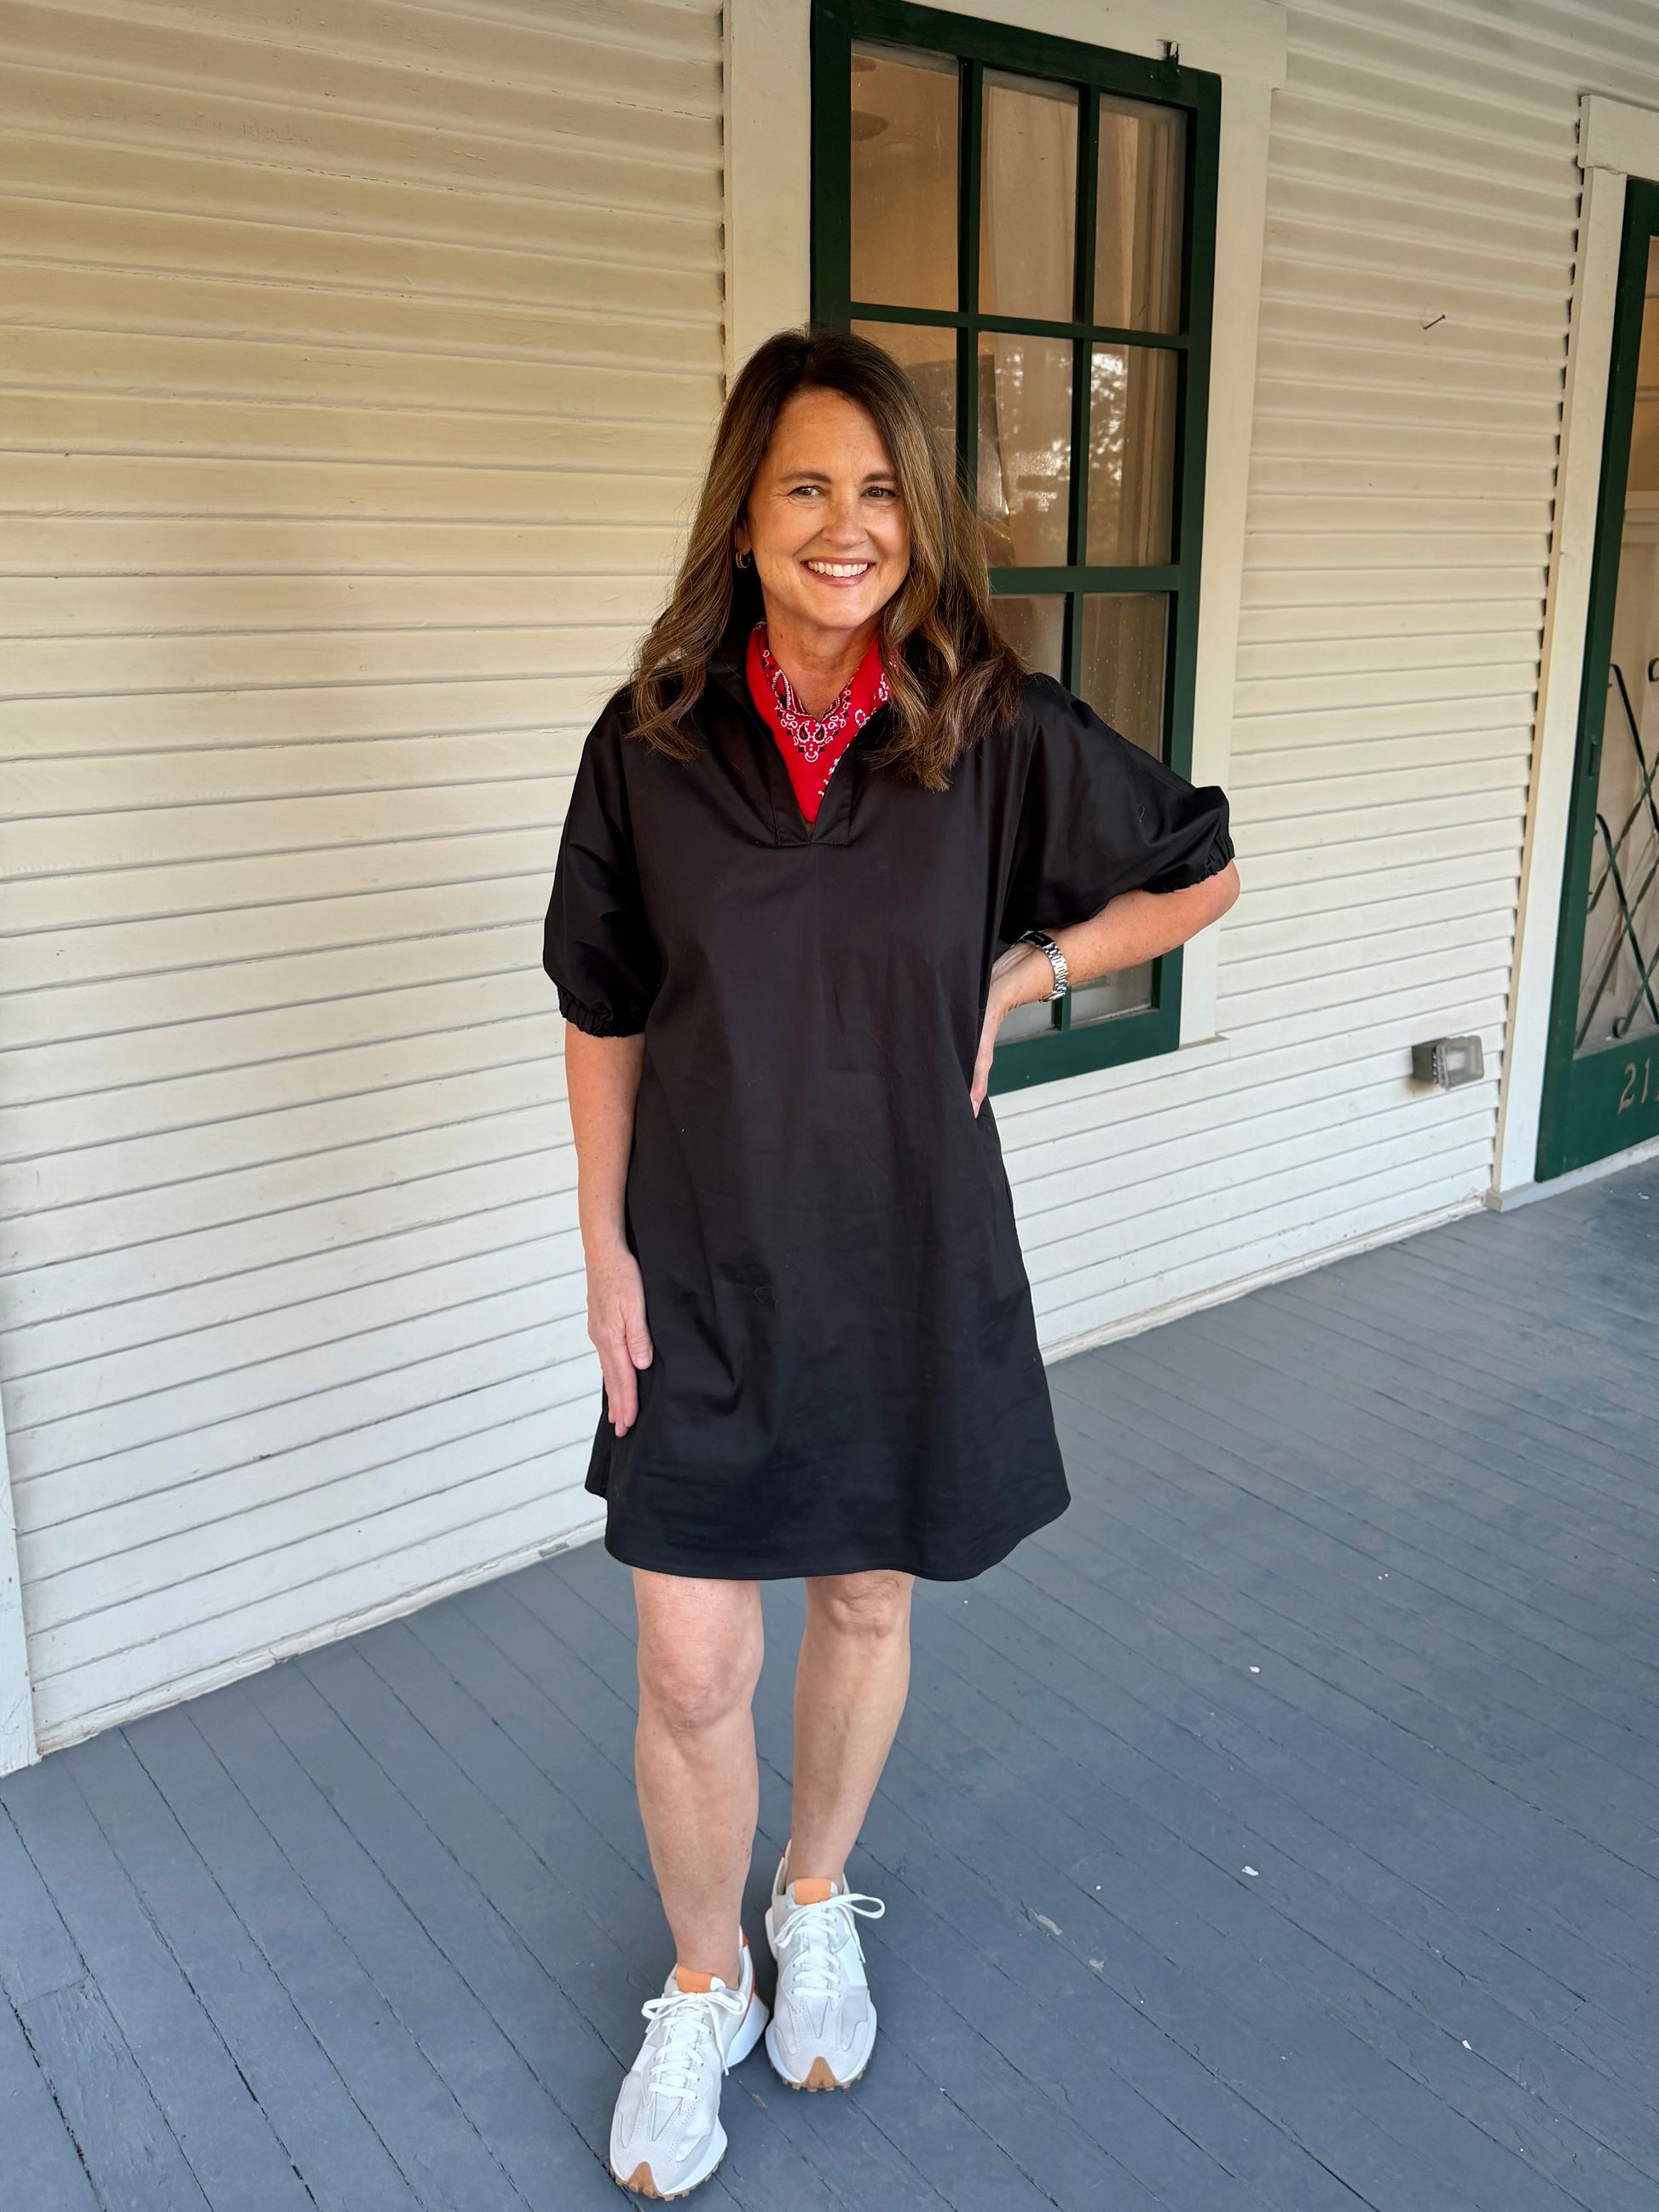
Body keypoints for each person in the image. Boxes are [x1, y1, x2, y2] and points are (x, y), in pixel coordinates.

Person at [543, 327, 1239, 2198]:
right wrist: (601, 1248)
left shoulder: (990, 731)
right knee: (690, 1663)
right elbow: (602, 1006)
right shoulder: (650, 741)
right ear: (744, 516)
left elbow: (1199, 866)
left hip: (903, 1255)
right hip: (700, 1266)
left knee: (862, 1600)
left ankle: (814, 1892)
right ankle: (705, 1978)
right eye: (804, 486)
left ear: (918, 521)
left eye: (877, 490)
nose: (843, 525)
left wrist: (1036, 965)